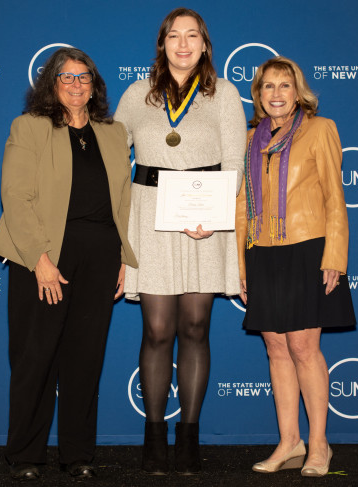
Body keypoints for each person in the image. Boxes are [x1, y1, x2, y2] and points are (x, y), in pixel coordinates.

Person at [0, 47, 137, 481]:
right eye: (66, 77)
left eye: (84, 76)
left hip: (100, 254)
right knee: (35, 357)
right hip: (43, 253)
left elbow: (123, 201)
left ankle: (78, 455)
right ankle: (25, 455)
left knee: (85, 359)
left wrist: (123, 259)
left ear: (95, 85)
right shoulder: (30, 127)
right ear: (51, 85)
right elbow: (15, 197)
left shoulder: (113, 132)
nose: (76, 84)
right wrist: (40, 259)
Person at [115, 7, 246, 475]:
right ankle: (153, 437)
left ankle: (188, 436)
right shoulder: (137, 94)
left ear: (205, 45)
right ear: (162, 43)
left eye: (193, 36)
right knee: (156, 330)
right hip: (150, 218)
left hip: (203, 221)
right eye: (175, 35)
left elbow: (235, 162)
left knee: (195, 327)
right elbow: (115, 158)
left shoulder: (225, 94)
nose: (184, 44)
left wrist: (211, 215)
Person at [236, 56, 356, 478]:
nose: (276, 94)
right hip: (263, 250)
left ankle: (319, 444)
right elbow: (241, 206)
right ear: (258, 94)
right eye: (268, 86)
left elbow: (334, 198)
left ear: (298, 90)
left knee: (304, 347)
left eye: (284, 85)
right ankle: (290, 441)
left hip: (308, 248)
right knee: (275, 348)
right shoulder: (251, 139)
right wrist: (242, 264)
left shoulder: (320, 129)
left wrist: (335, 257)